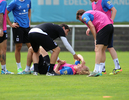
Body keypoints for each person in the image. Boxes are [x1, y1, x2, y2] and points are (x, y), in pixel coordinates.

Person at [86, 0, 122, 75]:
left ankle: (117, 67)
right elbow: (94, 17)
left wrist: (111, 21)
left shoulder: (104, 1)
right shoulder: (93, 4)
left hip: (105, 26)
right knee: (103, 48)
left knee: (107, 47)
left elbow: (114, 10)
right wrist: (89, 27)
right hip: (100, 27)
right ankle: (103, 69)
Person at [76, 9, 114, 77]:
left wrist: (95, 39)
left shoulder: (84, 15)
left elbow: (92, 26)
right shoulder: (91, 12)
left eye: (79, 19)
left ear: (79, 16)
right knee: (102, 50)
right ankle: (100, 70)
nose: (81, 20)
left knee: (97, 49)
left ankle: (96, 71)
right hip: (110, 26)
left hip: (103, 27)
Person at [21, 46, 90, 75]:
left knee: (32, 49)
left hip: (46, 69)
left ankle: (32, 70)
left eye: (81, 66)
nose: (79, 64)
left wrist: (59, 64)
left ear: (80, 71)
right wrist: (83, 60)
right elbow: (78, 56)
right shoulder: (74, 66)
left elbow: (56, 72)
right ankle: (31, 68)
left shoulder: (70, 70)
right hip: (50, 64)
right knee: (40, 48)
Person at [6, 0, 31, 74]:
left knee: (31, 47)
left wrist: (29, 21)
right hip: (18, 27)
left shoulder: (28, 1)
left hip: (27, 27)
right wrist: (10, 24)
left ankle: (29, 68)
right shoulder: (14, 2)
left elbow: (29, 10)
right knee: (18, 47)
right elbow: (6, 13)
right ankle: (19, 68)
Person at [0, 0, 14, 74]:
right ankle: (4, 70)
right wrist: (1, 28)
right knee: (2, 50)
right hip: (2, 29)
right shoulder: (3, 2)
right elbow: (1, 15)